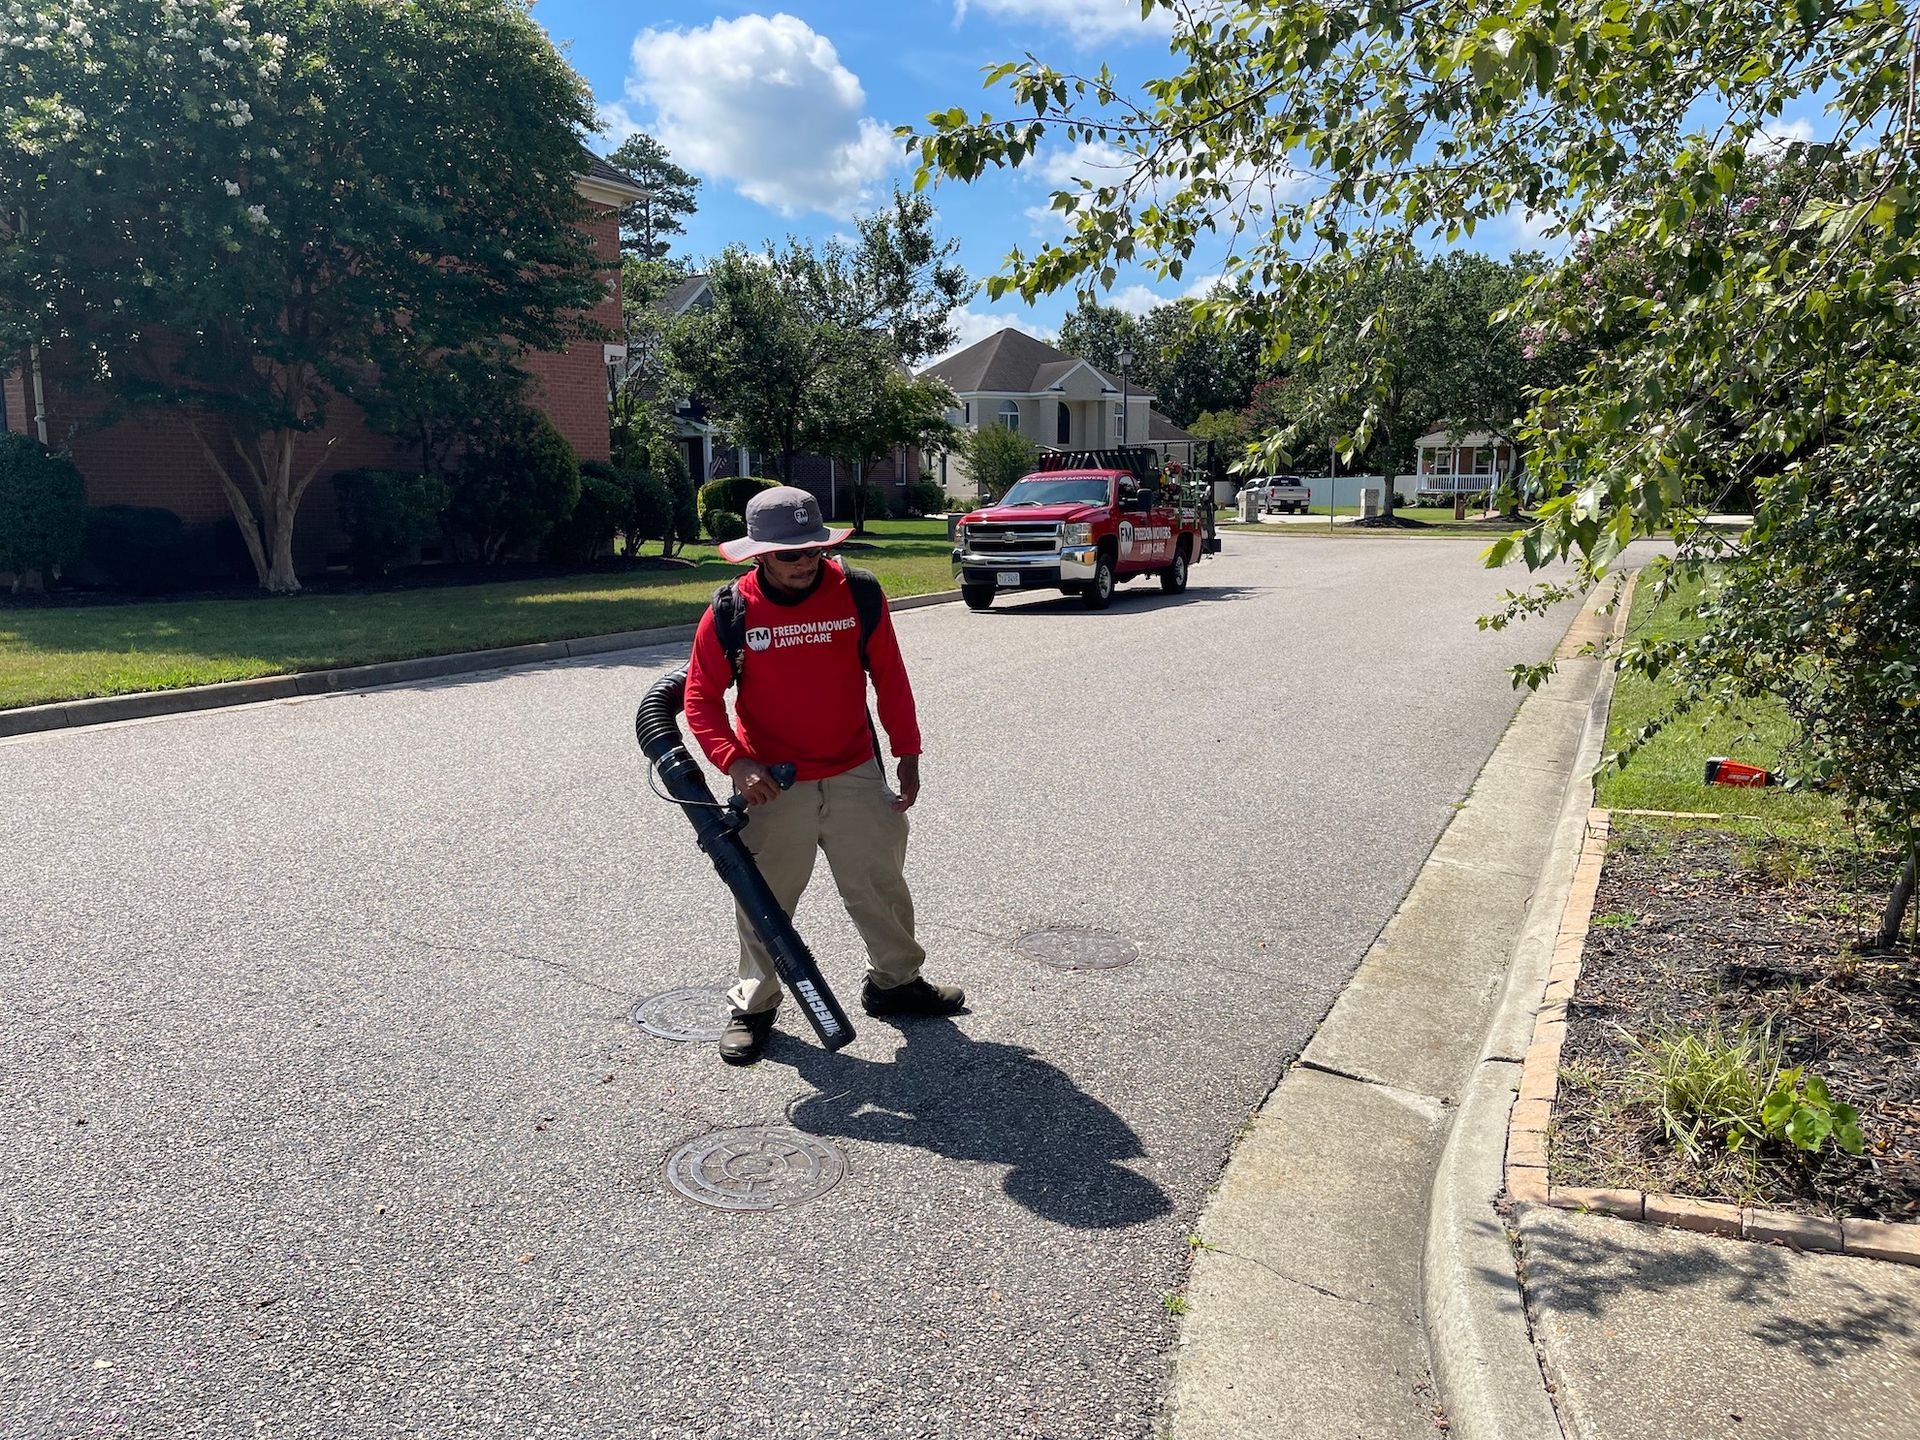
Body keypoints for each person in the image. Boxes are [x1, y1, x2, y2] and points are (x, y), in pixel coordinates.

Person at [682, 485, 964, 1064]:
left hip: (853, 766)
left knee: (879, 882)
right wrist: (736, 762)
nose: (805, 561)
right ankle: (755, 1003)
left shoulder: (856, 591)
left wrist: (907, 751)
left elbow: (889, 674)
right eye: (790, 554)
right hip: (772, 782)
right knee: (764, 896)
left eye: (814, 548)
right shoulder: (731, 612)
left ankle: (895, 981)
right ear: (761, 554)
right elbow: (700, 698)